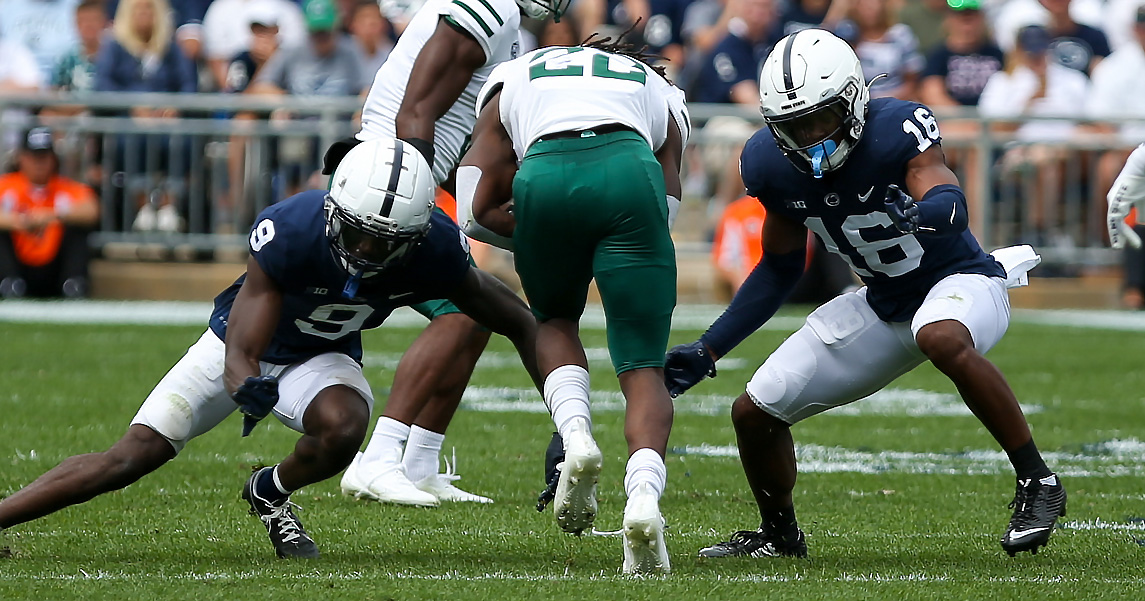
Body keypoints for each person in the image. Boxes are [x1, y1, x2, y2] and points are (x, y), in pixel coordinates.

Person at [0, 137, 543, 559]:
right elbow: (241, 345)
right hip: (239, 347)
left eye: (387, 243)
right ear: (334, 211)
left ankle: (270, 489)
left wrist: (569, 414)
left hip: (321, 354)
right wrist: (243, 382)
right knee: (131, 457)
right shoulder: (293, 230)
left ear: (417, 234)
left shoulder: (436, 251)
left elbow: (520, 321)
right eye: (358, 235)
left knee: (346, 425)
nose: (369, 252)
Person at [663, 28, 1064, 560]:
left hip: (962, 282)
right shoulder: (768, 163)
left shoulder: (894, 129)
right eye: (793, 127)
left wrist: (926, 212)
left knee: (939, 335)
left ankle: (1038, 482)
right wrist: (709, 348)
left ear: (852, 100)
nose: (809, 139)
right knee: (754, 411)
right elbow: (779, 268)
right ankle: (779, 535)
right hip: (882, 302)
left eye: (819, 120)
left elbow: (948, 201)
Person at [462, 37, 688, 574]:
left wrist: (545, 237)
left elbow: (476, 207)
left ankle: (577, 437)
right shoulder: (656, 87)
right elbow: (669, 203)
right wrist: (616, 246)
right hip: (630, 175)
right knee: (642, 368)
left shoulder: (517, 73)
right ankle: (643, 500)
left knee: (555, 320)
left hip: (544, 174)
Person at [332, 0, 569, 507]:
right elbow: (415, 110)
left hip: (399, 173)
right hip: (387, 180)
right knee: (466, 312)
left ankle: (418, 462)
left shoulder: (502, 20)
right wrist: (411, 198)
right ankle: (377, 458)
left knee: (479, 314)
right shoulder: (488, 8)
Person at [0, 127, 98, 299]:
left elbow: (91, 210)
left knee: (78, 228)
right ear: (21, 157)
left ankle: (73, 283)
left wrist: (52, 216)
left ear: (53, 159)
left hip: (54, 263)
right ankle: (9, 283)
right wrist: (19, 221)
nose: (39, 162)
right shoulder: (6, 185)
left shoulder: (66, 187)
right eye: (33, 157)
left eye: (44, 157)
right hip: (18, 260)